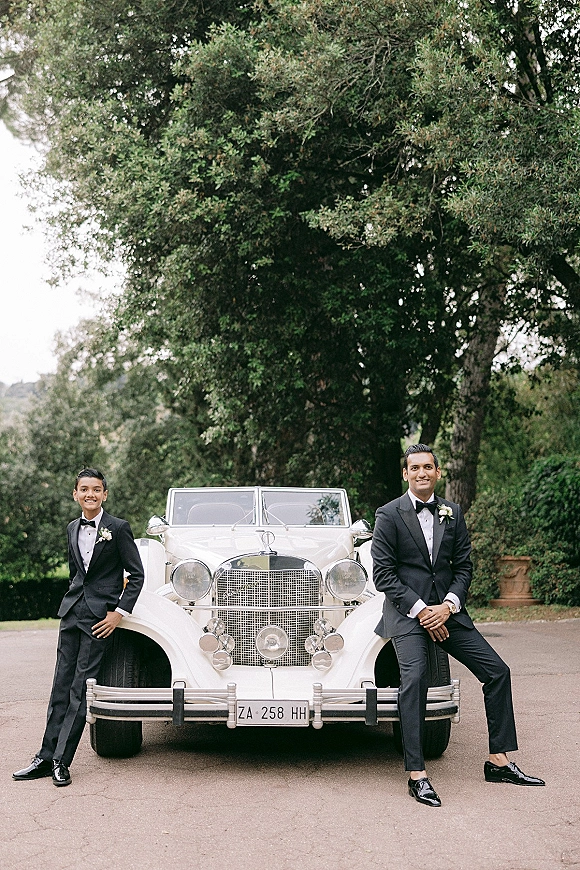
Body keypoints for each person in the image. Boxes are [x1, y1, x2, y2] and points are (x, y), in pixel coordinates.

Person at [372, 444, 545, 806]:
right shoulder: (388, 515)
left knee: (497, 671)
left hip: (448, 612)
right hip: (407, 615)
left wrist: (448, 606)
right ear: (405, 474)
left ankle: (498, 760)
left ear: (437, 472)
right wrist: (423, 612)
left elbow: (463, 567)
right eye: (414, 467)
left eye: (428, 467)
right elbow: (384, 576)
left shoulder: (453, 512)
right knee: (415, 679)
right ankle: (417, 774)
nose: (422, 473)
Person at [13, 468, 144, 787]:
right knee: (60, 685)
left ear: (105, 494)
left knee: (79, 687)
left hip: (100, 620)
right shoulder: (72, 527)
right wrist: (71, 603)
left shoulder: (118, 528)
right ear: (75, 494)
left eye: (96, 489)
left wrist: (118, 613)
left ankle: (61, 760)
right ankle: (44, 757)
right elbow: (77, 574)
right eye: (84, 489)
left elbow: (136, 575)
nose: (90, 494)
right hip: (71, 614)